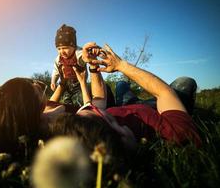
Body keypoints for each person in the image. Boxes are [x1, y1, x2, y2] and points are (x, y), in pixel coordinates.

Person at [49, 42, 201, 148]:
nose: (96, 109)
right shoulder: (174, 134)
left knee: (121, 84)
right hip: (155, 107)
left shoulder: (90, 127)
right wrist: (121, 65)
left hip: (126, 104)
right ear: (121, 134)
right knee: (185, 83)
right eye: (108, 117)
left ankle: (132, 97)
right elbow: (164, 93)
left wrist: (93, 66)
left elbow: (99, 101)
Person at [51, 24, 86, 106]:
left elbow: (85, 56)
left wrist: (89, 53)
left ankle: (80, 113)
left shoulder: (78, 54)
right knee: (66, 100)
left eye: (65, 48)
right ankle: (68, 113)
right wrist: (53, 81)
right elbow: (55, 71)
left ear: (74, 46)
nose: (62, 51)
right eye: (59, 49)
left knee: (80, 100)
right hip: (65, 85)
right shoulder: (58, 59)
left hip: (79, 84)